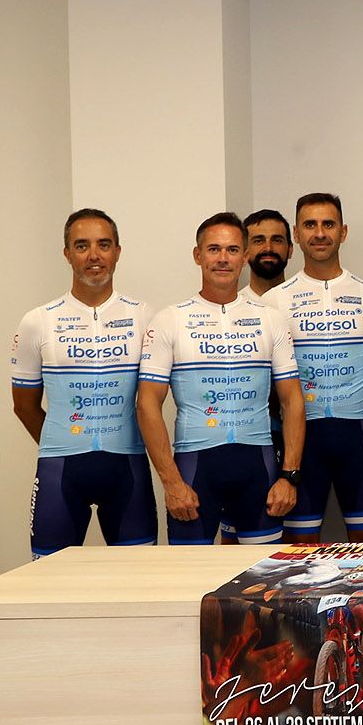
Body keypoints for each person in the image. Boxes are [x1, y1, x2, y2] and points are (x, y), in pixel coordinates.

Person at [136, 212, 303, 546]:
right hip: (195, 469)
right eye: (214, 249)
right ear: (198, 255)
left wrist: (289, 476)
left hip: (259, 466)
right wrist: (171, 483)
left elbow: (292, 399)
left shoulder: (270, 319)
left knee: (261, 581)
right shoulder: (171, 319)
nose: (223, 259)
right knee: (187, 582)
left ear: (245, 256)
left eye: (231, 250)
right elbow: (147, 404)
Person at [10, 208, 156, 555]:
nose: (94, 255)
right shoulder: (37, 321)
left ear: (117, 252)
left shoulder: (144, 315)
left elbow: (154, 397)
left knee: (137, 583)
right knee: (48, 582)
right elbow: (24, 405)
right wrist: (62, 441)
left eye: (104, 245)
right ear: (67, 254)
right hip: (61, 468)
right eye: (82, 245)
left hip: (127, 468)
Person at [262, 192, 363, 543]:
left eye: (328, 224)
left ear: (343, 231)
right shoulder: (274, 301)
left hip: (359, 437)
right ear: (297, 234)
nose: (320, 233)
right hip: (301, 441)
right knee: (296, 554)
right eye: (310, 225)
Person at [241, 209, 291, 298]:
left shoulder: (304, 303)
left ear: (290, 250)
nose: (268, 248)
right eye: (258, 241)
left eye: (277, 240)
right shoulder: (232, 308)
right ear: (244, 252)